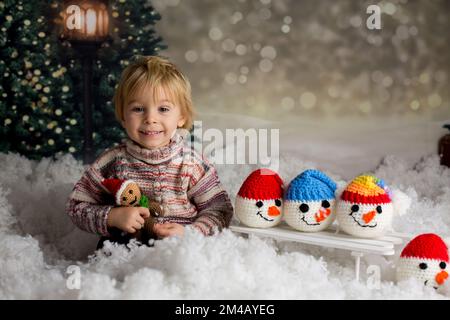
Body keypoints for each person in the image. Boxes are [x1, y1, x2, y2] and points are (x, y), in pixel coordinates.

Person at [65, 56, 234, 249]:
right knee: (111, 246)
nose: (150, 118)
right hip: (127, 245)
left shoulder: (191, 163)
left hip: (177, 247)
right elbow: (76, 206)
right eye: (138, 109)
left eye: (163, 109)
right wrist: (112, 216)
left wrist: (190, 233)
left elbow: (220, 210)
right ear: (123, 116)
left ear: (181, 117)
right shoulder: (111, 162)